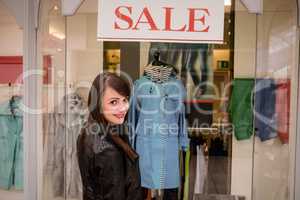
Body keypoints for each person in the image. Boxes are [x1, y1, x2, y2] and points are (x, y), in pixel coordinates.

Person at [77, 72, 143, 200]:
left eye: (125, 100)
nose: (123, 108)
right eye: (113, 102)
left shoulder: (89, 129)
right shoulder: (108, 149)